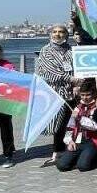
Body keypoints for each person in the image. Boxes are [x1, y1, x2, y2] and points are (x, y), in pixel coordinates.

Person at [36, 24, 77, 159]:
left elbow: (78, 67)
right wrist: (71, 79)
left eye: (61, 32)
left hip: (73, 91)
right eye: (54, 32)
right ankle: (57, 150)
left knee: (71, 121)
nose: (57, 34)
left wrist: (78, 84)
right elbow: (51, 71)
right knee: (58, 123)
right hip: (55, 92)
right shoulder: (45, 50)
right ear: (50, 34)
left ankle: (71, 147)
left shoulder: (71, 50)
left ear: (66, 34)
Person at [56, 81, 97, 172]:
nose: (85, 98)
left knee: (83, 167)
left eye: (88, 95)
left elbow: (94, 126)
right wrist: (69, 141)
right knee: (62, 165)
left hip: (93, 141)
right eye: (82, 95)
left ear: (93, 94)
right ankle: (79, 156)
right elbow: (70, 126)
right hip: (78, 140)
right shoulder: (78, 107)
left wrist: (79, 117)